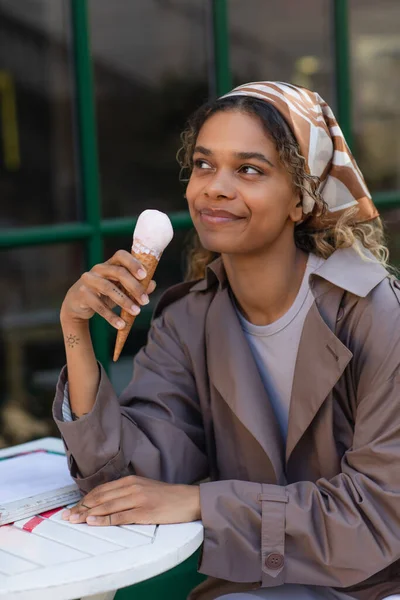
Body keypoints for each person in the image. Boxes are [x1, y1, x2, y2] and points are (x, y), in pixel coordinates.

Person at [53, 82, 400, 600]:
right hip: (252, 585)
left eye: (249, 170)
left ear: (301, 200)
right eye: (203, 164)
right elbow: (126, 486)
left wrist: (201, 502)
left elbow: (378, 516)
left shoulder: (374, 314)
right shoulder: (189, 319)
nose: (213, 187)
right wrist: (75, 332)